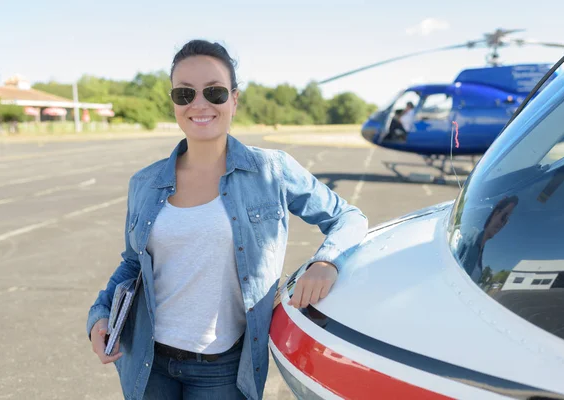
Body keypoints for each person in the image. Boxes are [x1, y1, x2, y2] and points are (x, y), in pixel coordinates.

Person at [86, 39, 368, 400]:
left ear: (234, 99)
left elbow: (348, 217)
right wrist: (100, 315)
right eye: (184, 93)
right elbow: (131, 265)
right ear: (174, 102)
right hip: (147, 359)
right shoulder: (144, 182)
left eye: (214, 92)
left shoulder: (272, 171)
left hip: (222, 368)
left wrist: (327, 259)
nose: (199, 104)